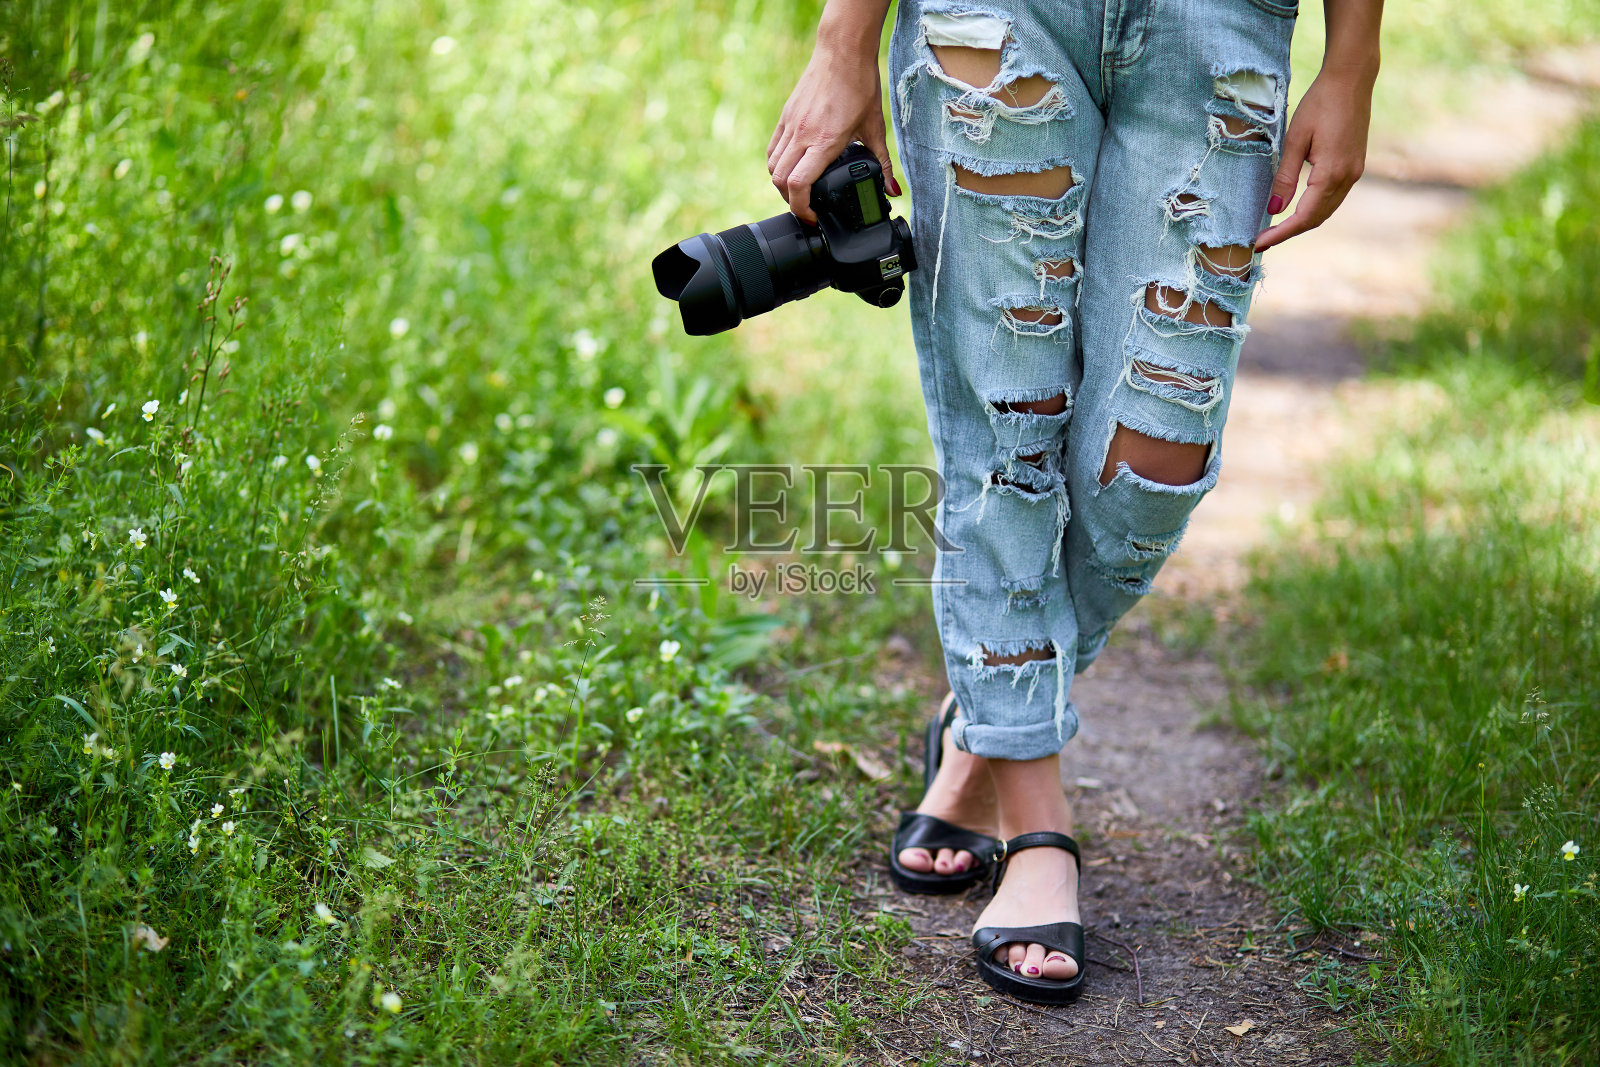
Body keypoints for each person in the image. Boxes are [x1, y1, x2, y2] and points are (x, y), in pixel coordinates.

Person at [768, 0, 1382, 1003]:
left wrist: (1352, 60)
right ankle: (1036, 820)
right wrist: (844, 41)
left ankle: (984, 720)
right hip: (997, 18)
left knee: (1157, 460)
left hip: (1220, 25)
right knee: (1007, 423)